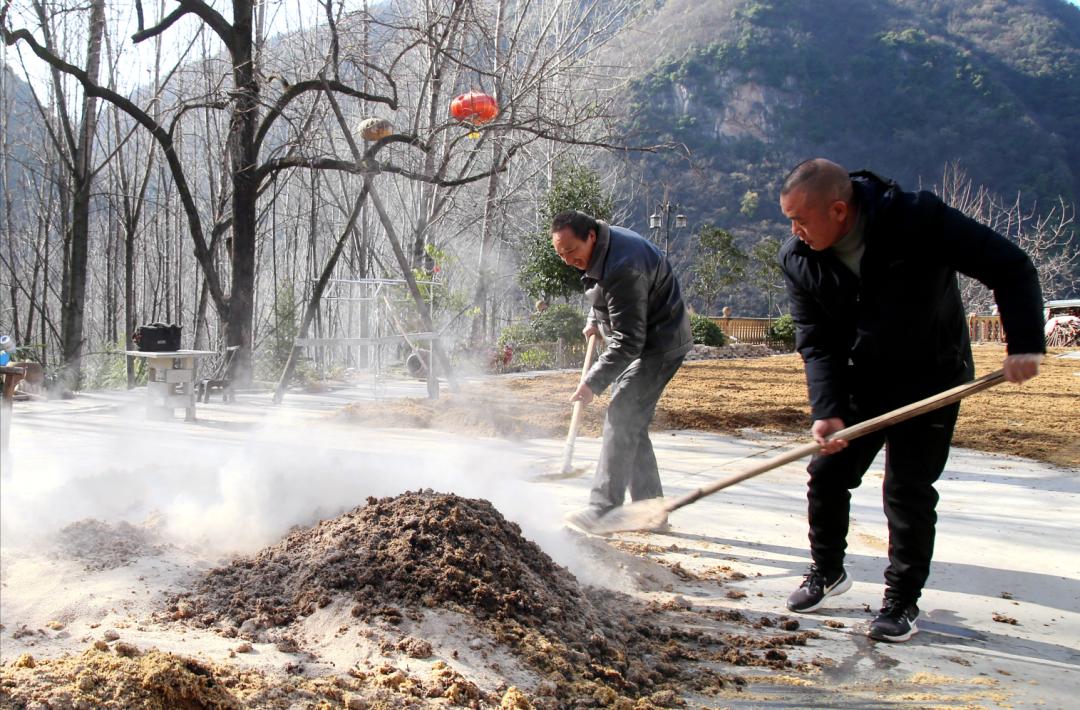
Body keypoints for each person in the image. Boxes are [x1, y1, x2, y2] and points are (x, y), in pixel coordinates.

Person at [777, 158, 1045, 642]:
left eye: (801, 220)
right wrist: (827, 410)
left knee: (906, 490)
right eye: (789, 220)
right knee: (827, 473)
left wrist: (1024, 343)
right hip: (861, 378)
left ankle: (902, 599)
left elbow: (1010, 266)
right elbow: (817, 341)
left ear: (838, 210)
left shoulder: (916, 219)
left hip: (932, 377)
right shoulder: (799, 258)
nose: (795, 231)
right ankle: (827, 570)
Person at [550, 210, 693, 533]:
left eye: (571, 251)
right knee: (632, 425)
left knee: (622, 415)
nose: (568, 260)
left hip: (658, 345)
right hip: (644, 339)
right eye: (561, 254)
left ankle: (603, 509)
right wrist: (594, 320)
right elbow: (603, 291)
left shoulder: (623, 265)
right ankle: (651, 511)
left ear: (590, 237)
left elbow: (630, 341)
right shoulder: (602, 249)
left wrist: (592, 382)